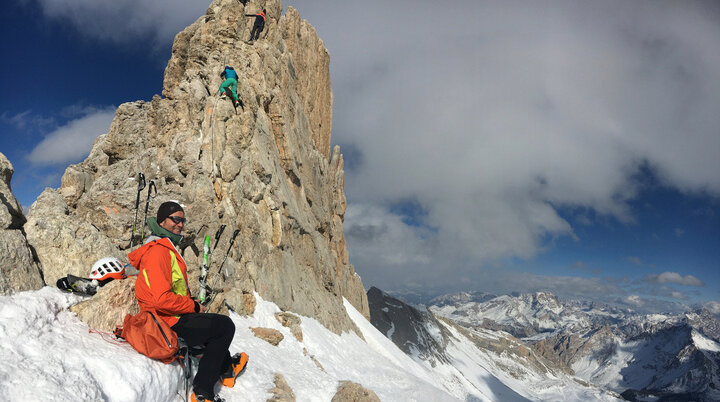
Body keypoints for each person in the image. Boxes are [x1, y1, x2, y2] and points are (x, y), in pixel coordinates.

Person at [128, 201, 247, 402]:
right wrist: (192, 306)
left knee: (211, 322)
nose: (180, 224)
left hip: (169, 316)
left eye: (183, 220)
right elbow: (160, 299)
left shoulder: (165, 247)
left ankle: (227, 370)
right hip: (166, 323)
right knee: (224, 326)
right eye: (175, 219)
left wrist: (190, 304)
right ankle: (203, 392)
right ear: (162, 221)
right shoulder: (158, 251)